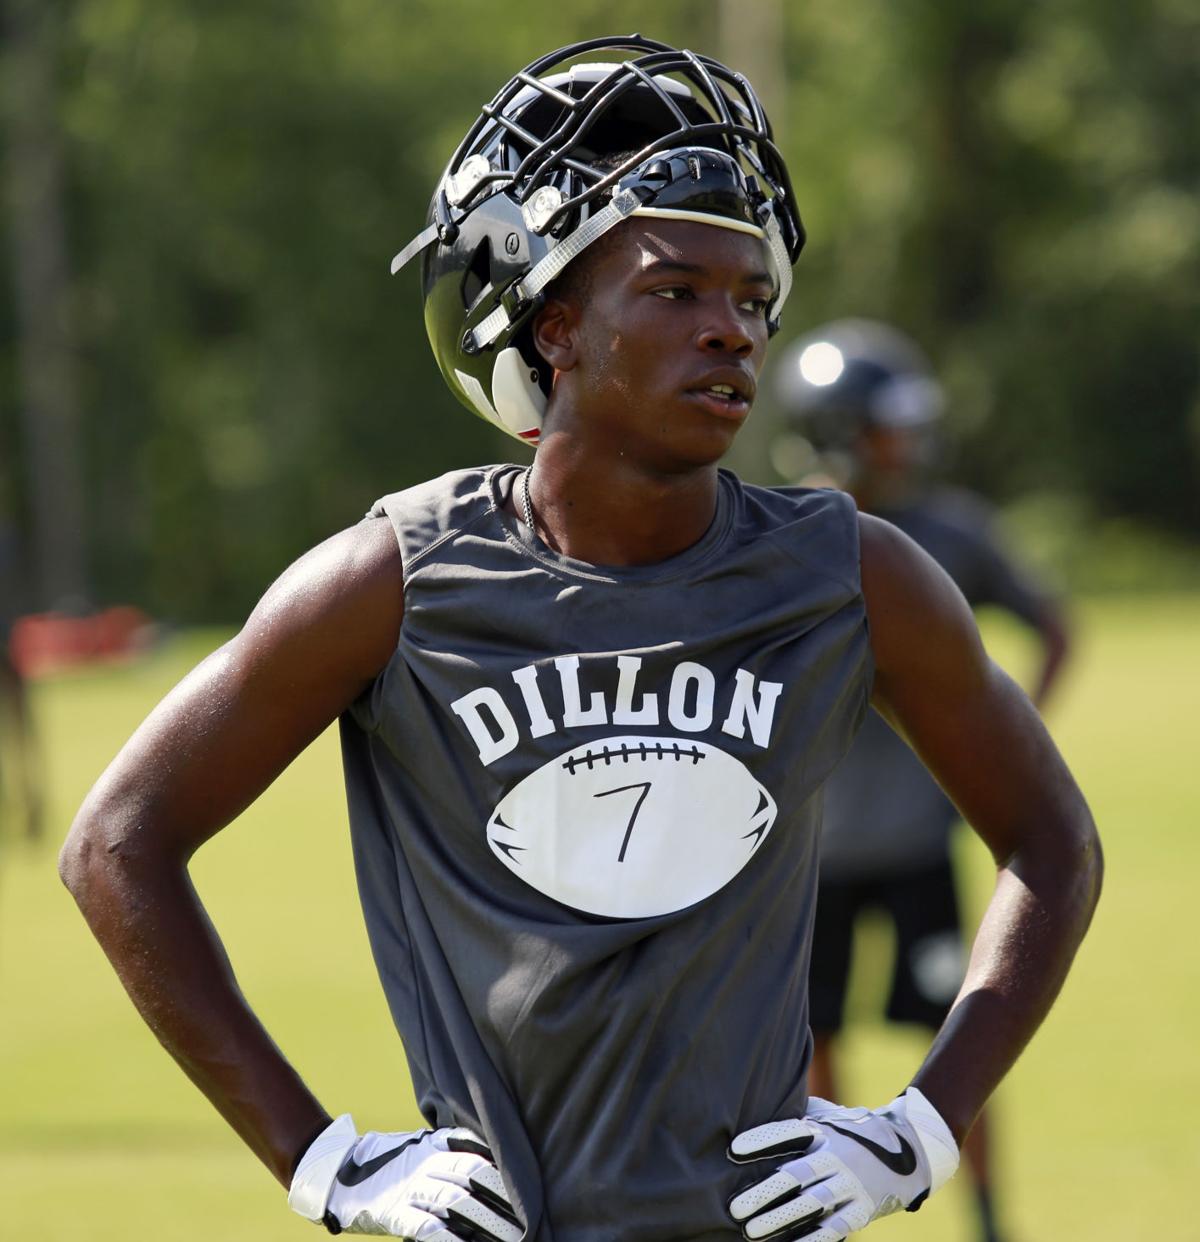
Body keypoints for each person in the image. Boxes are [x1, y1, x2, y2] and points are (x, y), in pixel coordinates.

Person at [59, 37, 1101, 1242]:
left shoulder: (851, 571)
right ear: (552, 327)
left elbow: (1053, 840)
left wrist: (924, 1123)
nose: (734, 332)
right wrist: (324, 1162)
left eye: (752, 300)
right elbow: (117, 845)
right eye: (676, 292)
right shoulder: (397, 580)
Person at [773, 319, 1073, 1242]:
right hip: (810, 852)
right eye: (886, 428)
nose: (906, 447)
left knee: (958, 1039)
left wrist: (997, 749)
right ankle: (818, 1212)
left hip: (913, 845)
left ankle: (985, 1222)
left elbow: (1054, 626)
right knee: (811, 1045)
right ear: (836, 432)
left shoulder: (949, 531)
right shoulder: (776, 542)